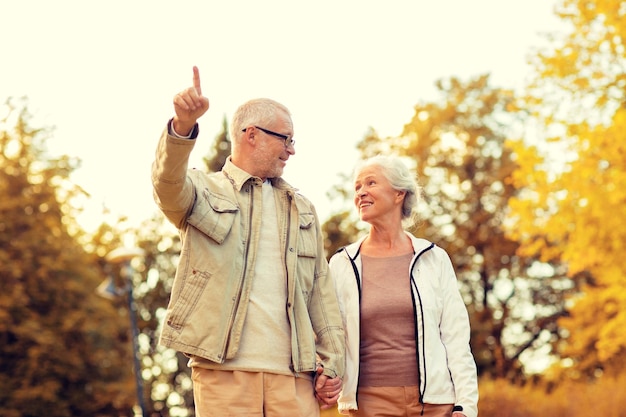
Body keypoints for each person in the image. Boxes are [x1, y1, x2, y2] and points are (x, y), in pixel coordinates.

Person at [151, 66, 344, 416]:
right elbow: (166, 184)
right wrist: (182, 128)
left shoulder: (303, 208)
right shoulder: (203, 190)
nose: (291, 150)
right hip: (224, 374)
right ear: (251, 135)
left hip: (295, 377)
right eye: (285, 138)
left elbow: (320, 290)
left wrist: (333, 362)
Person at [328, 155, 479, 417]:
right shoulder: (342, 264)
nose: (361, 192)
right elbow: (330, 336)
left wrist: (465, 405)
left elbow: (455, 337)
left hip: (436, 403)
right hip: (369, 403)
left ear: (399, 193)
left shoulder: (434, 258)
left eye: (371, 183)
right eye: (357, 187)